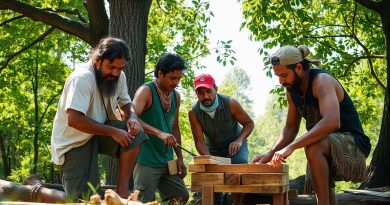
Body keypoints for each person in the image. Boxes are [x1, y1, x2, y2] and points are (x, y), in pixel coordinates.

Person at [252, 45, 371, 205]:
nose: (280, 81)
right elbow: (290, 128)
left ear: (299, 68)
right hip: (325, 144)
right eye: (277, 76)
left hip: (354, 145)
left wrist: (292, 147)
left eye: (284, 75)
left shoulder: (322, 81)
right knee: (315, 147)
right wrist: (272, 152)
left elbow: (331, 121)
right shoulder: (291, 90)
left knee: (313, 146)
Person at [51, 37, 147, 201]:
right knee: (86, 199)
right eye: (111, 67)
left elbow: (126, 103)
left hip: (99, 132)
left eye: (120, 68)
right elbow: (74, 119)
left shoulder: (119, 76)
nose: (116, 73)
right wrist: (113, 132)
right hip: (74, 142)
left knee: (135, 134)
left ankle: (123, 190)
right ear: (97, 61)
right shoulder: (81, 78)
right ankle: (40, 193)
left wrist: (132, 117)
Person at [188, 74, 254, 205]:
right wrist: (208, 158)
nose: (205, 96)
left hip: (235, 146)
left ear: (216, 89)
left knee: (239, 168)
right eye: (200, 93)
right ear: (196, 93)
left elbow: (249, 123)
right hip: (212, 149)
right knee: (207, 174)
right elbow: (199, 142)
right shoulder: (193, 112)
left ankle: (237, 202)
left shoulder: (231, 103)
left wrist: (239, 140)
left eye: (208, 91)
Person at [132, 53, 189, 204]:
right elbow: (130, 117)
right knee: (143, 202)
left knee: (181, 195)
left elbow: (175, 127)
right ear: (160, 74)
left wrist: (180, 158)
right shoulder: (146, 91)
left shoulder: (176, 96)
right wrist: (158, 133)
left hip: (167, 161)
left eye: (179, 78)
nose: (176, 82)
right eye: (172, 78)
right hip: (146, 159)